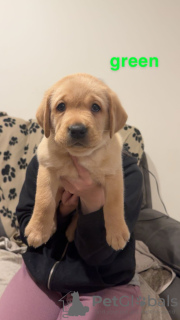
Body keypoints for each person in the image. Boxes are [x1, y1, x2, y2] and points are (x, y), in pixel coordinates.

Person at [0, 149, 143, 320]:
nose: (75, 128)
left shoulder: (126, 172)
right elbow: (28, 232)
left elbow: (100, 255)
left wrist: (92, 199)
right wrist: (60, 214)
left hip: (104, 282)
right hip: (41, 271)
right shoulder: (43, 160)